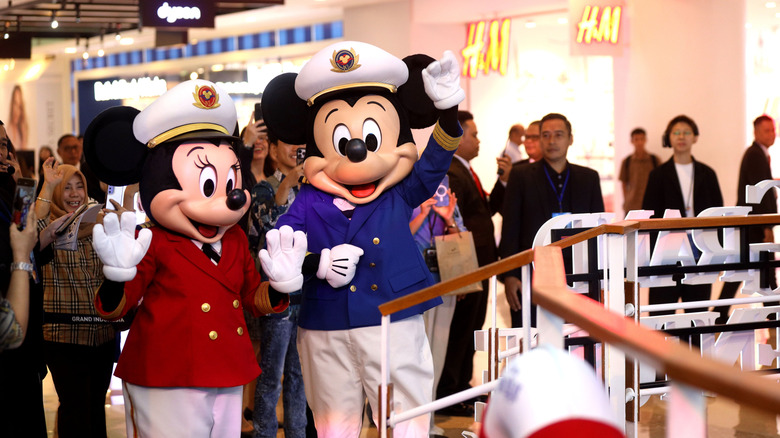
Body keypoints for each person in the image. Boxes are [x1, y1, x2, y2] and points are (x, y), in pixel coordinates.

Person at [32, 159, 115, 438]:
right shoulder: (47, 228)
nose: (74, 194)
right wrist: (48, 184)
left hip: (101, 334)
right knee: (75, 409)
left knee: (95, 409)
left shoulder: (97, 223)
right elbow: (30, 232)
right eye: (67, 188)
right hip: (61, 336)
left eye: (79, 186)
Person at [499, 113, 604, 328]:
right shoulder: (521, 176)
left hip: (579, 274)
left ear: (570, 139)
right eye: (545, 135)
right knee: (531, 339)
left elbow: (599, 231)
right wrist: (509, 275)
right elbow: (510, 227)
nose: (552, 141)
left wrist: (599, 276)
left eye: (558, 135)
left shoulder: (589, 178)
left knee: (578, 339)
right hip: (531, 274)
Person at [436, 110, 499, 416]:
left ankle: (462, 385)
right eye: (473, 134)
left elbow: (484, 209)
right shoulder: (451, 172)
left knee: (472, 326)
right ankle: (450, 390)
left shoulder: (465, 170)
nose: (478, 140)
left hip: (480, 263)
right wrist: (459, 272)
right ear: (457, 138)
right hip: (465, 263)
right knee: (461, 328)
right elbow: (452, 222)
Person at [250, 132, 307, 438]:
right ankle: (264, 433)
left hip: (308, 293)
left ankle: (298, 432)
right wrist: (287, 184)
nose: (297, 147)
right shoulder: (263, 187)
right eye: (288, 141)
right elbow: (267, 227)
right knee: (271, 373)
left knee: (300, 375)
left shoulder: (311, 187)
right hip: (277, 298)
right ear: (272, 149)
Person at [642, 114, 723, 316]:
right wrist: (651, 258)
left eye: (687, 132)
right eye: (676, 132)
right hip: (666, 253)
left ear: (695, 137)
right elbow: (648, 217)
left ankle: (693, 349)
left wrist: (719, 256)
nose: (681, 136)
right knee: (661, 315)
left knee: (697, 315)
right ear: (668, 137)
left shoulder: (708, 173)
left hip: (700, 252)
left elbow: (719, 216)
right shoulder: (658, 175)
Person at [409, 184, 463, 431]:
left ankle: (427, 420)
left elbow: (460, 239)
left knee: (437, 352)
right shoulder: (407, 196)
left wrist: (448, 218)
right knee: (412, 354)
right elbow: (395, 238)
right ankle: (411, 421)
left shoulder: (448, 198)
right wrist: (421, 213)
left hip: (444, 282)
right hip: (412, 286)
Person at [714, 115, 777, 324]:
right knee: (760, 269)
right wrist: (768, 224)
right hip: (755, 225)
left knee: (751, 269)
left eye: (773, 130)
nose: (772, 134)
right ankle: (771, 312)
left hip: (753, 224)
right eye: (767, 130)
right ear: (756, 132)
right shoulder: (755, 155)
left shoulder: (759, 154)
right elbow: (761, 193)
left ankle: (721, 312)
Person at [490, 120, 542, 213]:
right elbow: (493, 206)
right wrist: (505, 180)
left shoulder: (557, 167)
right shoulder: (515, 168)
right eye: (526, 137)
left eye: (535, 137)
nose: (528, 141)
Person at [619, 128, 659, 213]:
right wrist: (626, 200)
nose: (639, 142)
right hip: (632, 206)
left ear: (645, 140)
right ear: (632, 141)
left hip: (651, 205)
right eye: (636, 139)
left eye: (641, 139)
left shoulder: (654, 160)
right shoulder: (627, 161)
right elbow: (623, 183)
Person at [7, 85, 28, 151]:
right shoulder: (6, 128)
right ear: (12, 104)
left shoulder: (23, 128)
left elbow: (24, 153)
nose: (17, 110)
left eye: (19, 106)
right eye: (15, 104)